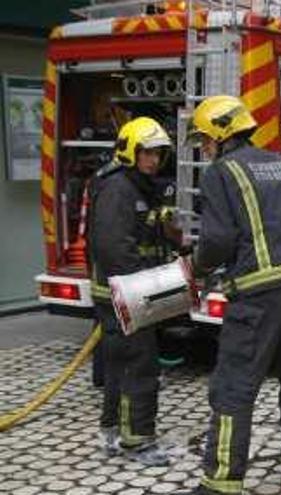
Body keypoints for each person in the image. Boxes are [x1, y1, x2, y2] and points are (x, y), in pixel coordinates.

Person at [186, 96, 281, 494]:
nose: (204, 147)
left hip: (259, 296)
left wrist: (196, 268)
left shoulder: (221, 172)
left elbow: (217, 240)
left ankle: (221, 482)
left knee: (234, 385)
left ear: (222, 132)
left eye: (205, 139)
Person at [87, 116, 174, 466]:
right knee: (140, 366)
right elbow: (113, 249)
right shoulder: (119, 189)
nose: (154, 160)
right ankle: (137, 442)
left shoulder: (137, 185)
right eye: (147, 153)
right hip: (123, 294)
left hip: (127, 291)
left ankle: (111, 430)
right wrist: (145, 289)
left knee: (120, 364)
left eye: (158, 154)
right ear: (129, 152)